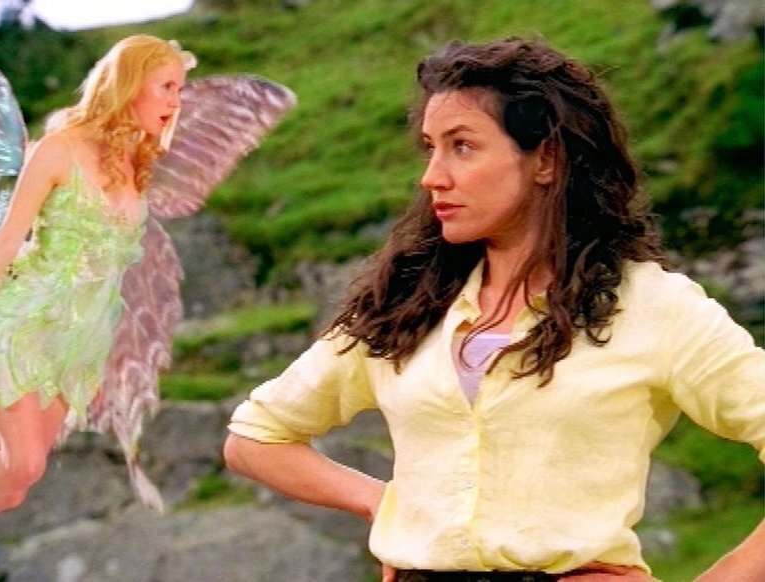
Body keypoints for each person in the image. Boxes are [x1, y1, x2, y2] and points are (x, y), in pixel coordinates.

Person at [224, 37, 765, 581]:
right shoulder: (407, 304)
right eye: (431, 147)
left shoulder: (653, 307)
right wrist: (382, 503)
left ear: (546, 158)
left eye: (462, 146)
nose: (432, 176)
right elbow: (255, 438)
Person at [0, 34, 194, 537]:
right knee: (24, 465)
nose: (177, 101)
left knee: (15, 486)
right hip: (24, 320)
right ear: (130, 83)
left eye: (181, 89)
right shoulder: (59, 148)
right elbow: (6, 239)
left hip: (78, 343)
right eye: (167, 86)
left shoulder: (137, 165)